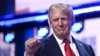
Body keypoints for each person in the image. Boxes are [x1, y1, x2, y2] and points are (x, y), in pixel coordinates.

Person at [24, 3, 95, 56]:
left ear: (72, 20)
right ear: (50, 23)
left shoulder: (87, 49)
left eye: (64, 19)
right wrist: (29, 54)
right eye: (55, 20)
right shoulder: (39, 48)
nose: (60, 24)